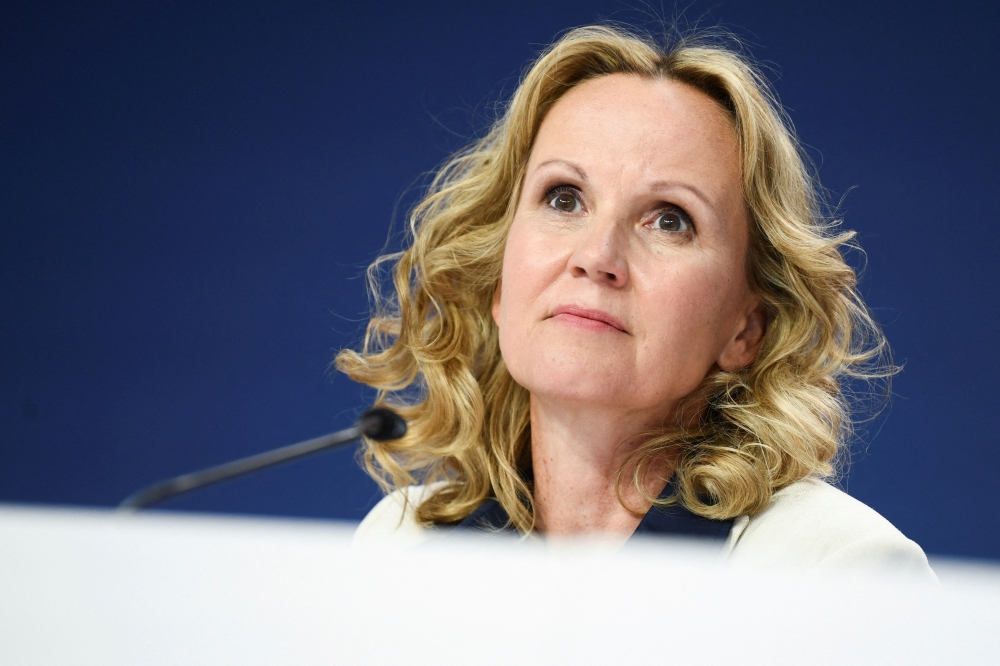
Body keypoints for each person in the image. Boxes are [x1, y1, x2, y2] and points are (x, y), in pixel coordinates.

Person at [338, 24, 933, 578]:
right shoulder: (400, 549)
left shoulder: (837, 571)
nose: (597, 256)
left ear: (746, 327)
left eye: (670, 220)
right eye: (564, 198)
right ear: (499, 281)